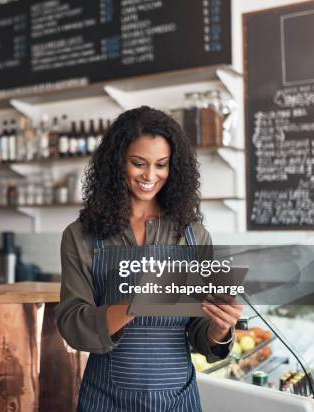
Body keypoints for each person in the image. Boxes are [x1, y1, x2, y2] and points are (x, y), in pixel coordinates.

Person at [55, 106, 242, 411]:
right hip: (105, 399)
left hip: (177, 399)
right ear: (117, 164)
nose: (150, 176)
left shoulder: (193, 236)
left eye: (162, 165)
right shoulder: (81, 236)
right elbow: (72, 323)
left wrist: (220, 328)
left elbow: (199, 330)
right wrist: (134, 302)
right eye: (139, 163)